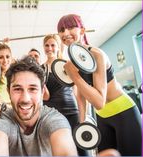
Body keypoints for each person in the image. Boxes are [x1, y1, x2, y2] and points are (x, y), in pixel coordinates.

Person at [57, 14, 142, 156]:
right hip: (102, 117)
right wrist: (82, 123)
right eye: (61, 30)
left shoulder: (96, 54)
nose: (65, 33)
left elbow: (99, 101)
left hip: (124, 112)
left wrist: (74, 76)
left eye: (71, 27)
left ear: (82, 31)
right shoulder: (72, 62)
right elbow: (80, 95)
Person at [0, 56, 78, 156]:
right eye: (18, 89)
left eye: (32, 89)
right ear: (8, 92)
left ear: (42, 92)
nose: (25, 99)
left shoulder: (54, 119)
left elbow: (65, 151)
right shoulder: (2, 121)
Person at [41, 34, 86, 155]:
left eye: (53, 45)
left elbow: (78, 92)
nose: (49, 48)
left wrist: (83, 118)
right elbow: (45, 96)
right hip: (52, 115)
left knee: (81, 148)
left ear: (58, 47)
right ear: (43, 47)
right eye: (47, 45)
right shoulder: (40, 69)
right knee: (59, 150)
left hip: (71, 111)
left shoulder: (67, 64)